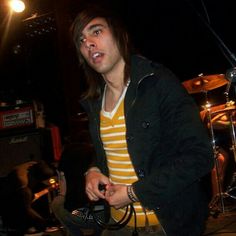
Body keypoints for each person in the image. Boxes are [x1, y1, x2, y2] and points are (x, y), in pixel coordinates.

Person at [70, 4, 214, 236]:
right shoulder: (95, 100)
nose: (88, 42)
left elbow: (199, 156)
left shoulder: (158, 83)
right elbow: (111, 151)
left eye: (96, 31)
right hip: (117, 223)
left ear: (120, 35)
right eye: (81, 39)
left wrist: (133, 193)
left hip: (165, 224)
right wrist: (94, 169)